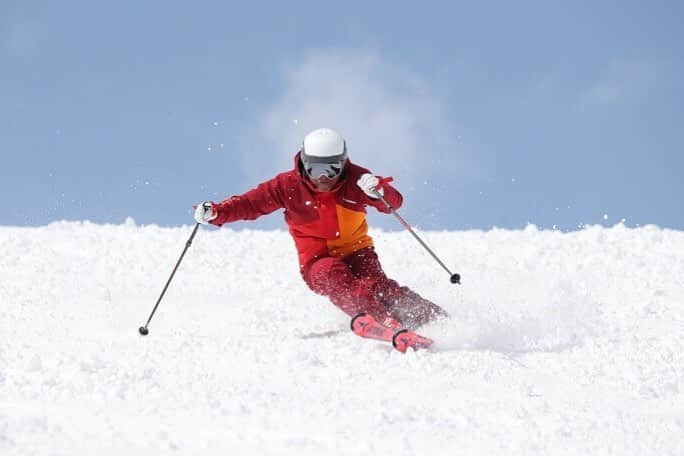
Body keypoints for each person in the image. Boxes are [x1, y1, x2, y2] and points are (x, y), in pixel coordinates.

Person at [193, 128, 447, 330]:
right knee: (335, 276)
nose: (323, 177)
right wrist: (217, 212)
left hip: (358, 251)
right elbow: (250, 204)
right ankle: (382, 321)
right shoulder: (287, 185)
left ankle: (436, 319)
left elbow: (393, 204)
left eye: (332, 169)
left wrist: (379, 191)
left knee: (378, 286)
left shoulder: (357, 180)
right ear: (303, 163)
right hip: (317, 261)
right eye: (315, 169)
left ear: (343, 163)